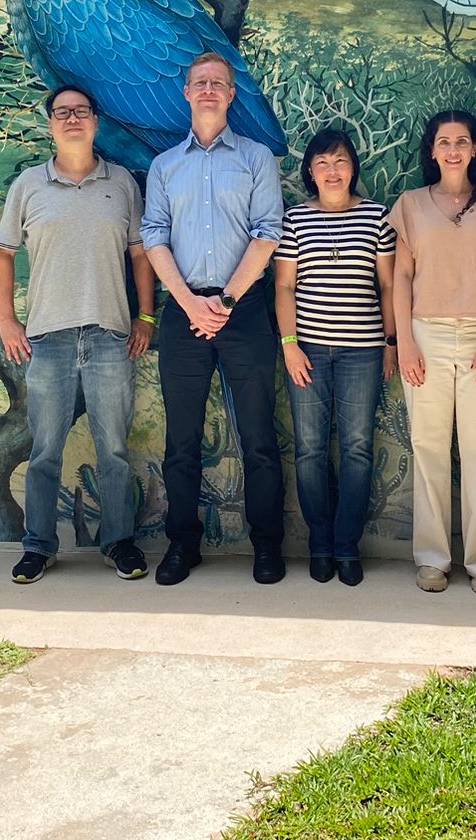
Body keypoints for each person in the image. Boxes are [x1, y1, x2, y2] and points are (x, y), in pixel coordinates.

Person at [0, 85, 156, 584]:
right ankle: (38, 546)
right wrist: (6, 319)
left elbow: (140, 254)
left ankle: (118, 542)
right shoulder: (28, 185)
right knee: (45, 450)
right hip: (48, 337)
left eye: (81, 111)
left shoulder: (122, 183)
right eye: (62, 112)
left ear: (95, 122)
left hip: (110, 335)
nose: (72, 119)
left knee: (114, 450)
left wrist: (146, 316)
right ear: (50, 124)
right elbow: (4, 252)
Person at [141, 52, 286, 585]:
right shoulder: (164, 166)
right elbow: (153, 234)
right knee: (181, 442)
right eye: (199, 82)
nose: (207, 89)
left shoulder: (255, 158)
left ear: (230, 94)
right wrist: (187, 301)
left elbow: (268, 232)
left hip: (243, 310)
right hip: (183, 312)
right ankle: (183, 544)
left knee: (259, 438)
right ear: (186, 93)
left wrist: (224, 302)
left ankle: (267, 545)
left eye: (217, 83)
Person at [392, 110, 476, 595]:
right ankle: (432, 558)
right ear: (432, 151)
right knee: (427, 446)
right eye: (444, 142)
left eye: (461, 141)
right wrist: (405, 342)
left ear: (474, 149)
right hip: (424, 335)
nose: (452, 150)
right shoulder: (410, 205)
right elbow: (401, 276)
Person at [275, 129, 397, 588]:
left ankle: (347, 546)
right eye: (322, 162)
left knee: (357, 448)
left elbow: (388, 285)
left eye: (340, 160)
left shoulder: (377, 217)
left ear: (353, 167)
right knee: (309, 449)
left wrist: (391, 342)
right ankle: (320, 544)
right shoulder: (294, 220)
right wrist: (289, 345)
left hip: (362, 352)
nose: (332, 170)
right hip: (306, 351)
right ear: (310, 171)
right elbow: (284, 286)